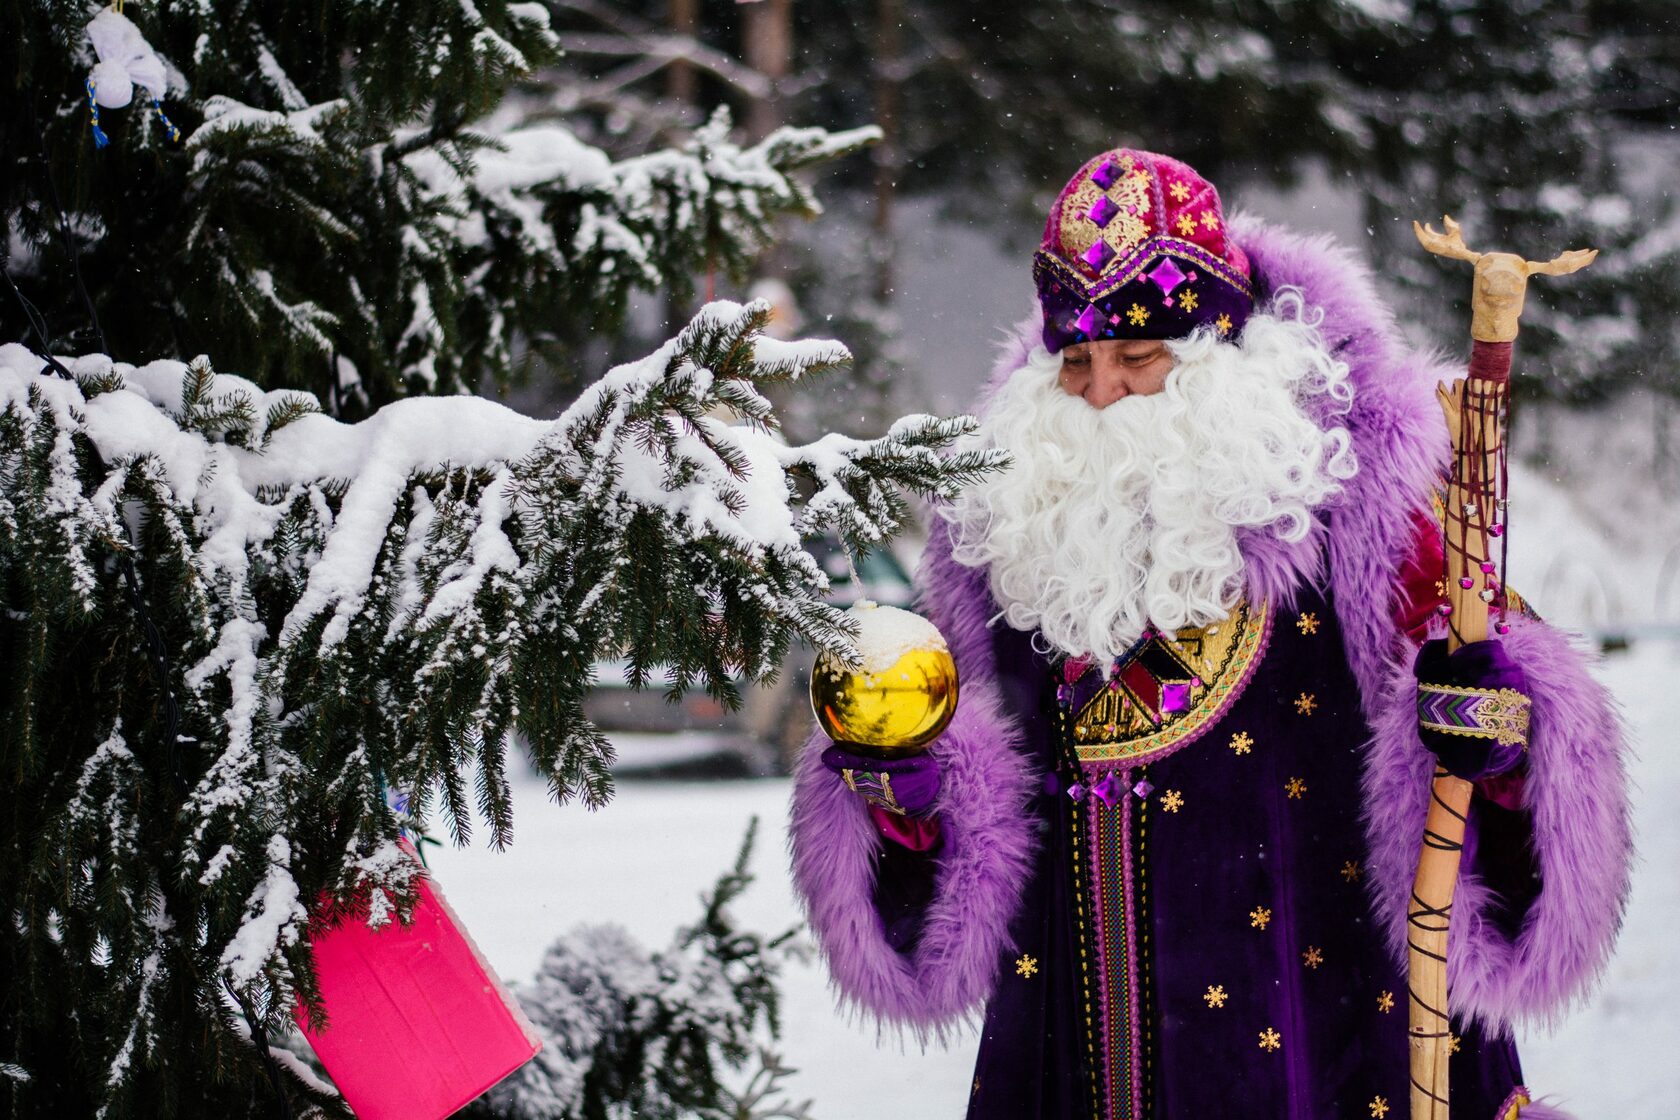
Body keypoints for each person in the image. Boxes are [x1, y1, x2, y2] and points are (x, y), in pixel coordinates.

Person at [788, 148, 1632, 1119]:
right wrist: (912, 796)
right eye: (1075, 361)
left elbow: (1505, 750)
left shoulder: (1366, 510)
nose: (1099, 391)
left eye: (1138, 360)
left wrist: (1497, 730)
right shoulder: (1011, 532)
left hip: (1331, 1039)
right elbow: (970, 833)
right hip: (1077, 1049)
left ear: (1216, 356)